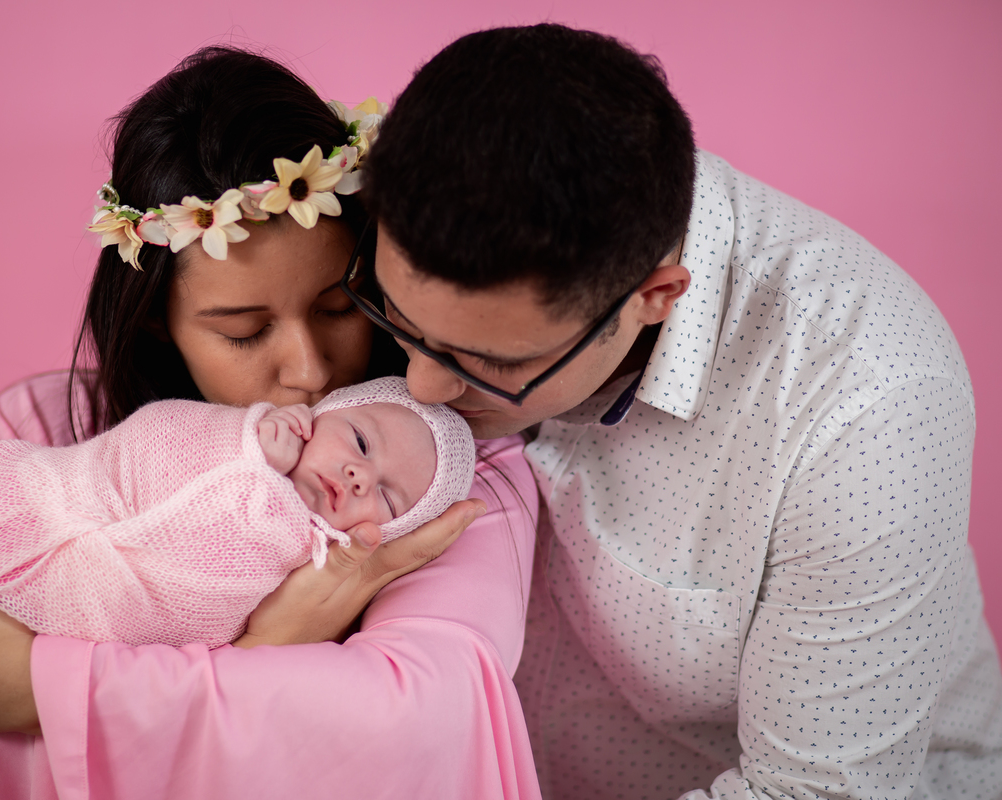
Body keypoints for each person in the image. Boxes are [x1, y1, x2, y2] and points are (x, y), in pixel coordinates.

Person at [0, 46, 540, 799]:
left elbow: (418, 715)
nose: (308, 370)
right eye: (245, 332)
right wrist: (274, 648)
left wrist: (43, 689)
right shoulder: (45, 428)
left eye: (337, 308)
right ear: (158, 321)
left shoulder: (443, 473)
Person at [355, 23, 1002, 800]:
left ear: (655, 296)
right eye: (397, 319)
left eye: (489, 362)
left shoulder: (868, 401)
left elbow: (813, 794)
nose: (421, 386)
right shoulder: (410, 217)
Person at [0, 377, 476, 648]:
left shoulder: (317, 570)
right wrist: (249, 447)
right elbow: (149, 442)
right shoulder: (244, 431)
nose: (360, 476)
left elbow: (207, 613)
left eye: (388, 499)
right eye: (360, 441)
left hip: (110, 613)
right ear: (317, 415)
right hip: (54, 497)